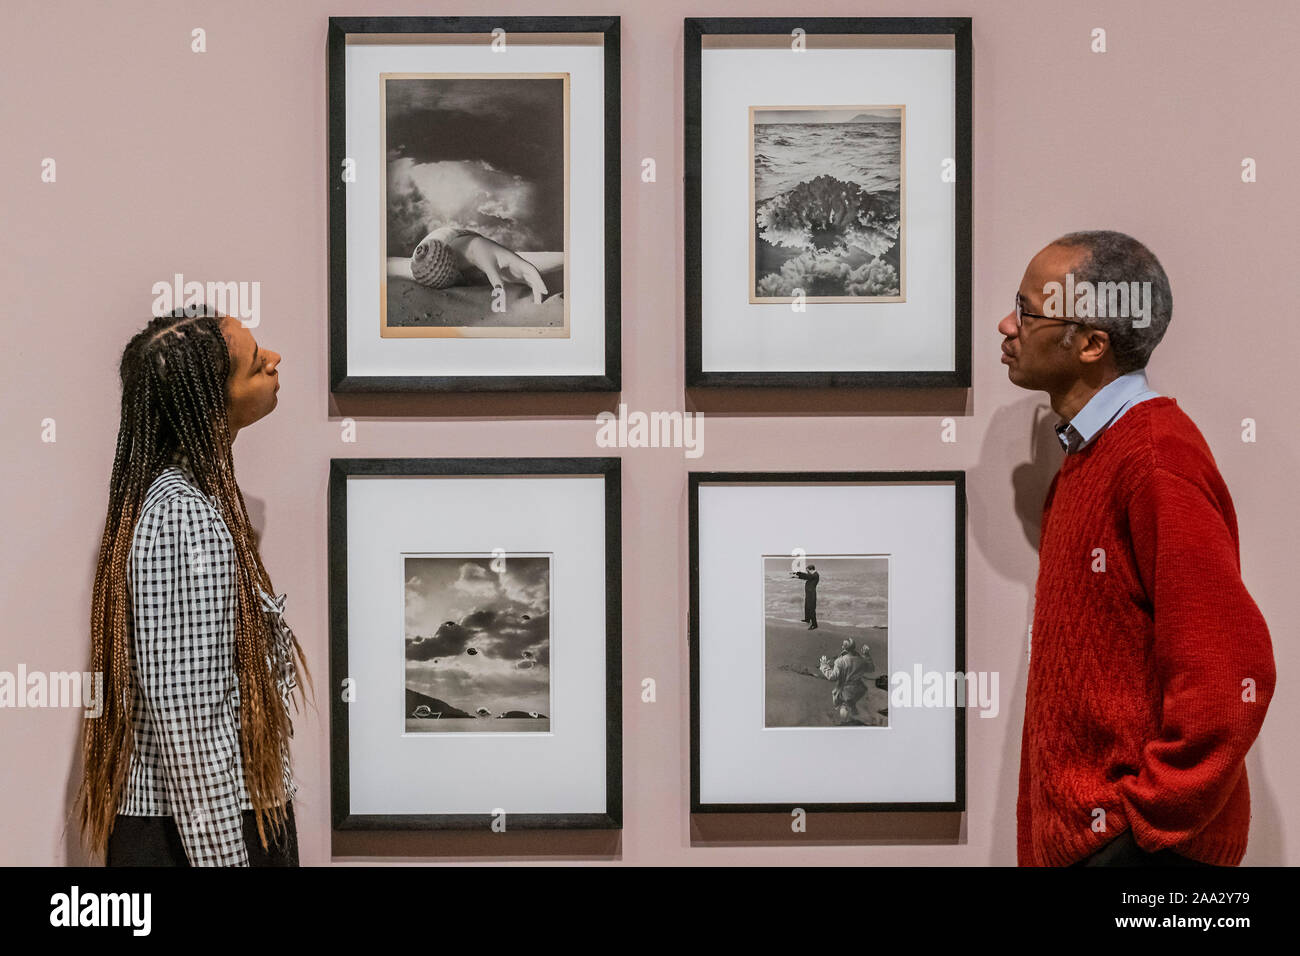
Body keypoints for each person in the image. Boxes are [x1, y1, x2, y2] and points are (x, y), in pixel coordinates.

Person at [1000, 231, 1275, 867]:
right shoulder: (1090, 456)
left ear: (1092, 344)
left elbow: (1234, 667)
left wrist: (1139, 829)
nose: (1007, 325)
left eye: (1028, 310)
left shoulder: (1154, 457)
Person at [73, 306, 311, 867]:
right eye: (256, 365)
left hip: (198, 825)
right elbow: (188, 723)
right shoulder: (185, 518)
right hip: (195, 836)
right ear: (213, 403)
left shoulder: (188, 504)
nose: (274, 361)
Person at [818, 638, 875, 725]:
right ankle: (852, 720)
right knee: (851, 705)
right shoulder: (861, 660)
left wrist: (824, 665)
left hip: (846, 690)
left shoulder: (840, 661)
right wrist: (866, 655)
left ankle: (845, 725)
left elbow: (832, 677)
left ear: (843, 647)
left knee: (844, 706)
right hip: (859, 689)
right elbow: (871, 669)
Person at [792, 564, 819, 629]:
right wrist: (797, 573)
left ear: (811, 569)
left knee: (811, 609)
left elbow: (807, 577)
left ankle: (814, 625)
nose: (807, 572)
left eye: (808, 571)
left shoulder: (815, 575)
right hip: (809, 594)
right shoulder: (812, 574)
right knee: (807, 606)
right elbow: (806, 575)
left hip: (811, 594)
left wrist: (797, 576)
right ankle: (807, 619)